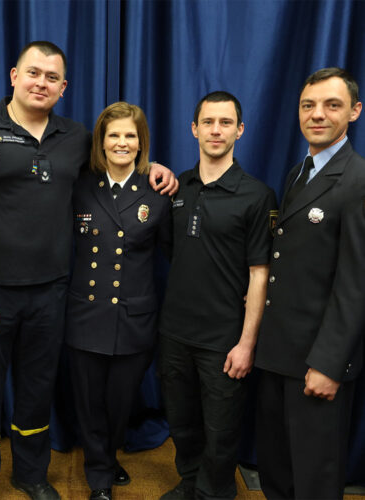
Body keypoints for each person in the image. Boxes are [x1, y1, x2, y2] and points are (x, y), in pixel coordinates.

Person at [0, 41, 177, 500]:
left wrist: (157, 169)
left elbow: (121, 158)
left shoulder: (76, 138)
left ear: (64, 87)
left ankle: (30, 475)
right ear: (13, 75)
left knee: (36, 391)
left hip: (52, 293)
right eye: (33, 73)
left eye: (52, 78)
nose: (41, 83)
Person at [158, 91, 277, 500]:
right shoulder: (176, 188)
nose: (215, 130)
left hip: (224, 339)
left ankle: (213, 492)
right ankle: (189, 482)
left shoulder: (257, 195)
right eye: (208, 122)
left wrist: (247, 343)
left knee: (221, 430)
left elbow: (260, 275)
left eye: (225, 122)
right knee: (182, 422)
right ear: (193, 129)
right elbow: (175, 252)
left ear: (239, 130)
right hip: (174, 333)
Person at [255, 68, 365, 499]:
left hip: (318, 361)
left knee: (316, 477)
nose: (317, 115)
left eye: (331, 105)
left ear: (355, 111)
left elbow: (355, 285)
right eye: (308, 105)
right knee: (278, 470)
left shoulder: (357, 181)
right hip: (280, 354)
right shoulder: (299, 173)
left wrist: (329, 364)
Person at [66, 102, 172, 500]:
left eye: (131, 135)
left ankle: (106, 458)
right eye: (114, 135)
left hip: (134, 318)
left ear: (141, 142)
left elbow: (174, 253)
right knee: (90, 404)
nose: (122, 143)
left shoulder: (158, 191)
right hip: (86, 314)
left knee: (119, 404)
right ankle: (99, 480)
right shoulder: (80, 185)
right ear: (101, 141)